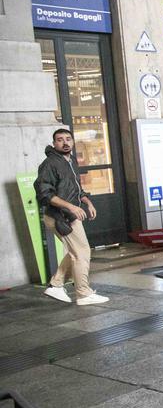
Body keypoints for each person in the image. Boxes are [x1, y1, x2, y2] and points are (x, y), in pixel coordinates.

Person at [34, 129, 108, 305]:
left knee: (77, 251)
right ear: (54, 144)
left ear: (73, 142)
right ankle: (83, 293)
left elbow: (76, 189)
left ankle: (56, 284)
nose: (65, 142)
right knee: (82, 252)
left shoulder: (70, 161)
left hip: (70, 216)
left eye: (68, 139)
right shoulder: (50, 164)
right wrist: (71, 207)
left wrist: (87, 202)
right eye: (60, 140)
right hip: (59, 217)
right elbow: (45, 194)